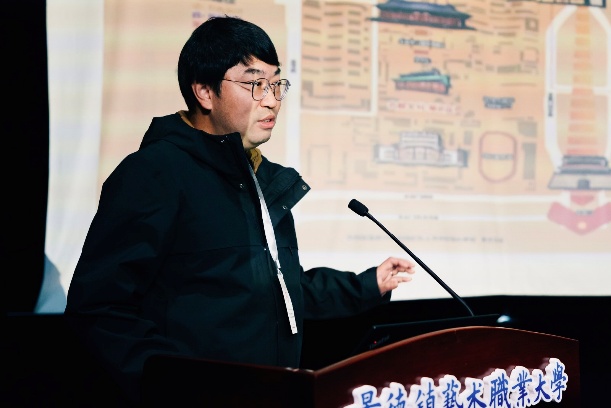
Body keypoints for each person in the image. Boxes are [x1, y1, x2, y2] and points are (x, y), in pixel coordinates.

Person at [64, 15, 416, 406]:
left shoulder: (260, 179)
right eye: (255, 84)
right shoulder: (152, 174)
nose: (272, 100)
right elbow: (100, 307)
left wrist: (367, 285)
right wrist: (174, 386)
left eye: (276, 83)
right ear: (204, 92)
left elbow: (278, 290)